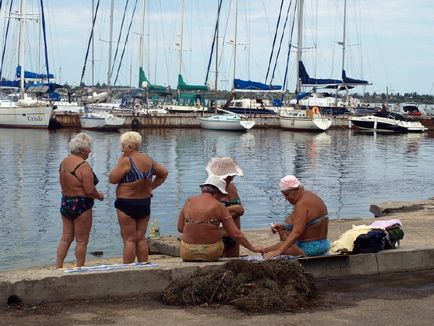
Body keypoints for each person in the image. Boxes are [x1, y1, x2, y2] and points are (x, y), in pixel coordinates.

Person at [109, 131, 168, 264]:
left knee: (129, 239)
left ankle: (128, 270)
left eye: (123, 146)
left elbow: (112, 179)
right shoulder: (148, 160)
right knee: (140, 237)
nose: (121, 149)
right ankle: (143, 266)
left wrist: (119, 162)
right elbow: (164, 173)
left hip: (126, 203)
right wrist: (151, 187)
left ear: (130, 147)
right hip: (144, 202)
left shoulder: (125, 161)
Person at [177, 175, 261, 262]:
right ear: (217, 193)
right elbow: (236, 234)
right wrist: (253, 249)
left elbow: (180, 228)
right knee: (225, 237)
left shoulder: (189, 201)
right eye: (221, 196)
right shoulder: (219, 206)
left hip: (186, 253)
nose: (221, 198)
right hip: (210, 253)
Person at [56, 132, 104, 268]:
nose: (90, 151)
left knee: (66, 238)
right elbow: (89, 190)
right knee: (82, 241)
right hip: (81, 205)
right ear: (82, 150)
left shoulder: (63, 163)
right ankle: (79, 268)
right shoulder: (84, 166)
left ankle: (58, 267)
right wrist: (99, 196)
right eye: (89, 148)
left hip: (66, 202)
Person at [263, 175, 329, 259]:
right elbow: (307, 223)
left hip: (309, 249)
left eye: (287, 195)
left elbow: (297, 232)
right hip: (323, 245)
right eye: (284, 195)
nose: (286, 199)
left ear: (296, 189)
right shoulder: (311, 196)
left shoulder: (301, 204)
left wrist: (278, 251)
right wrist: (284, 227)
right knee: (284, 237)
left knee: (266, 252)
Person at [206, 157, 244, 257]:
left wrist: (237, 209)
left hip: (234, 232)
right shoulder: (211, 189)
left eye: (232, 176)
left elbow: (240, 209)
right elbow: (207, 213)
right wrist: (230, 209)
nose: (231, 178)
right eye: (228, 176)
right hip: (220, 233)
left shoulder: (232, 187)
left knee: (234, 265)